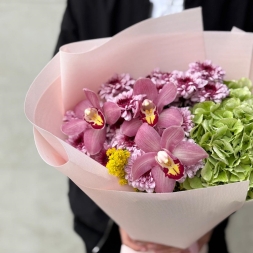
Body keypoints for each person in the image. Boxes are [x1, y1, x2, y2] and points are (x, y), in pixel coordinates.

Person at [54, 0, 253, 252]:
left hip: (204, 236)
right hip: (112, 232)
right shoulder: (89, 4)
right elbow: (64, 107)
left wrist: (204, 221)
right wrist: (126, 220)